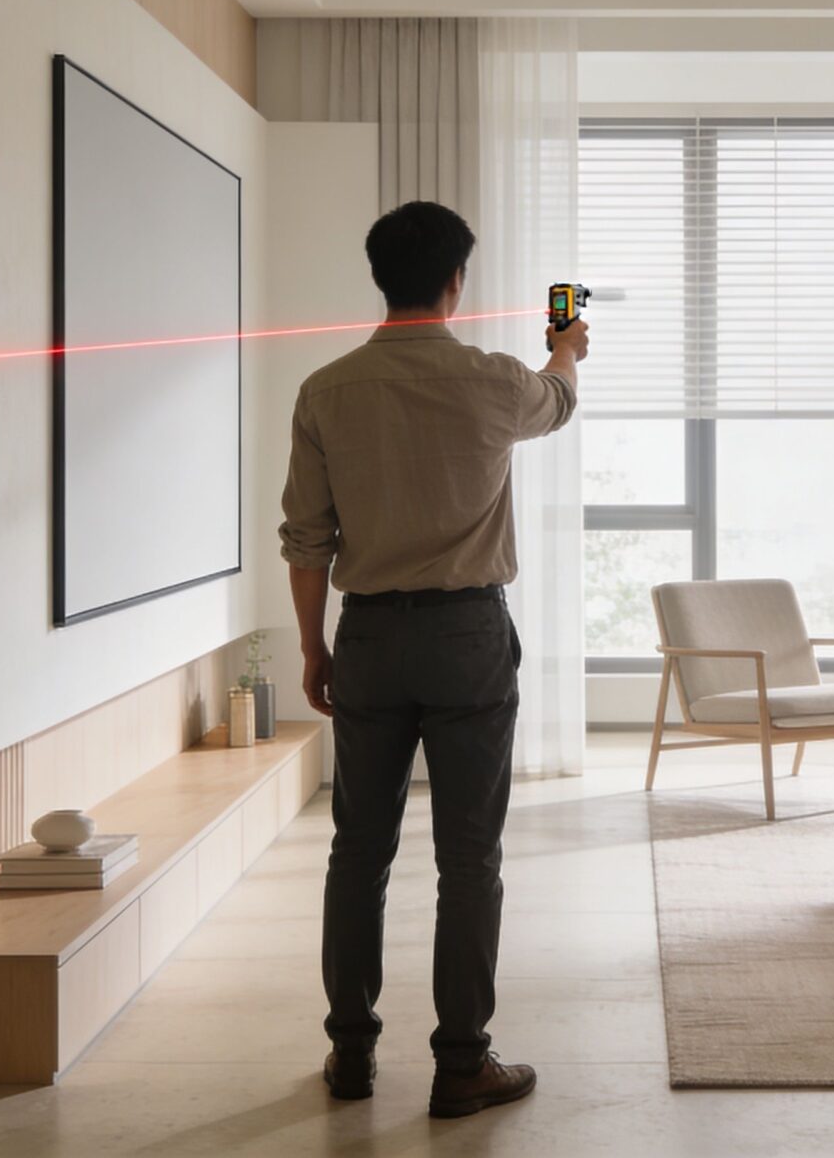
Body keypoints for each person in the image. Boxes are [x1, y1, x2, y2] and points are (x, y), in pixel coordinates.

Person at [279, 200, 587, 1119]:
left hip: (368, 637)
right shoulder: (493, 381)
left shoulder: (325, 389)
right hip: (467, 639)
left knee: (357, 852)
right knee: (469, 858)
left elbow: (306, 540)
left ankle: (350, 1057)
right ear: (457, 281)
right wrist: (568, 346)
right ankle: (462, 1063)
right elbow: (559, 397)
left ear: (382, 278)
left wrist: (314, 647)